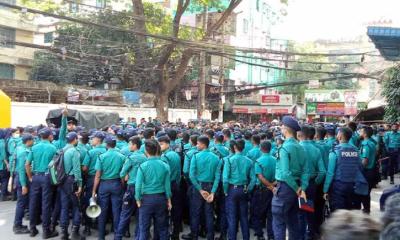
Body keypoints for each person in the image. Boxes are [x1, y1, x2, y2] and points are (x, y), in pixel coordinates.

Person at [272, 116, 307, 240]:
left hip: (285, 188)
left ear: (286, 130)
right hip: (296, 188)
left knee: (279, 223)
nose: (281, 128)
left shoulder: (284, 148)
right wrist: (302, 188)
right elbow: (306, 171)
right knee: (293, 223)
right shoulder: (300, 147)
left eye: (282, 126)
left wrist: (297, 189)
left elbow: (286, 173)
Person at [135, 139, 172, 240]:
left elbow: (138, 186)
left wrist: (138, 199)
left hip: (146, 200)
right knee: (163, 228)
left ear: (146, 151)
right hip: (161, 199)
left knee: (144, 229)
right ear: (157, 150)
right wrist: (169, 200)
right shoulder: (165, 166)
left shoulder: (142, 166)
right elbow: (167, 186)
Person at [25, 127, 59, 238]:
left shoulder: (34, 148)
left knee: (33, 202)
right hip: (47, 177)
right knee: (46, 204)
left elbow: (27, 164)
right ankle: (46, 231)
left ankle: (32, 229)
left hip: (35, 177)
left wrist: (30, 177)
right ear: (49, 136)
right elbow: (56, 165)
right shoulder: (53, 148)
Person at [92, 135, 125, 240]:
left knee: (102, 210)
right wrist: (122, 185)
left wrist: (94, 191)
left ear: (106, 144)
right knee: (117, 211)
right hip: (116, 184)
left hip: (104, 184)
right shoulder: (121, 156)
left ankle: (101, 236)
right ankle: (117, 236)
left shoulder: (101, 157)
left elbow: (97, 175)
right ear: (115, 145)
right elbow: (123, 174)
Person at [323, 127, 365, 212]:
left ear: (340, 136)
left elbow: (330, 173)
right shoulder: (356, 151)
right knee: (350, 213)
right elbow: (360, 167)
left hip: (338, 187)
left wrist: (325, 190)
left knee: (338, 214)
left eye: (338, 133)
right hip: (353, 186)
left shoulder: (334, 152)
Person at [189, 135, 222, 240]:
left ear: (203, 144)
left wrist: (199, 189)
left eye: (198, 143)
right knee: (209, 213)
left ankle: (194, 236)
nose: (196, 145)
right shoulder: (216, 158)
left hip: (199, 186)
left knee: (196, 213)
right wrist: (212, 192)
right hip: (211, 186)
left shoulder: (195, 156)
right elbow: (217, 177)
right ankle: (210, 236)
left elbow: (191, 175)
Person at [115, 136, 147, 240]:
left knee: (125, 214)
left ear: (135, 145)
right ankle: (138, 236)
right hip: (142, 189)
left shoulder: (131, 158)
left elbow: (122, 173)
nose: (129, 146)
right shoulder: (145, 157)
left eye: (130, 144)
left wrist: (126, 177)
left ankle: (118, 236)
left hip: (131, 188)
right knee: (140, 216)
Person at [222, 139, 255, 240]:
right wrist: (248, 189)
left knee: (232, 217)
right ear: (243, 148)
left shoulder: (229, 160)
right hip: (243, 189)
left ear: (234, 147)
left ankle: (232, 238)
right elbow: (253, 179)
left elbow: (225, 179)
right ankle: (246, 237)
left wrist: (225, 190)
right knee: (244, 217)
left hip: (232, 189)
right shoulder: (249, 161)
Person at [298, 125, 326, 240]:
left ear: (300, 135)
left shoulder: (297, 148)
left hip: (298, 185)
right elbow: (322, 171)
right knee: (309, 209)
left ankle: (302, 235)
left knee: (300, 212)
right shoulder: (316, 150)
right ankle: (310, 233)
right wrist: (315, 182)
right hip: (311, 185)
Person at [59, 132, 84, 240]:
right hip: (71, 180)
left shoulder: (62, 149)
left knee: (64, 206)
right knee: (75, 206)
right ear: (74, 140)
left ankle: (63, 233)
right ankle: (75, 232)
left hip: (62, 181)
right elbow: (77, 170)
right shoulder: (74, 151)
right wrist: (79, 185)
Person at [81, 131, 107, 236]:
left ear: (98, 140)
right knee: (102, 203)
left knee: (89, 201)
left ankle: (87, 227)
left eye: (93, 138)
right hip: (104, 179)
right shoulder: (106, 150)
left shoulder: (90, 152)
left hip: (92, 178)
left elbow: (85, 167)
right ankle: (99, 226)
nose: (91, 140)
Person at [159, 136, 182, 240]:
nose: (160, 146)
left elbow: (163, 174)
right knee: (176, 210)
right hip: (176, 184)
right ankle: (176, 233)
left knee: (165, 211)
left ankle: (166, 234)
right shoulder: (175, 154)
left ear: (168, 144)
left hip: (168, 186)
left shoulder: (165, 156)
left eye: (161, 144)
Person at [253, 141, 276, 240]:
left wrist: (269, 185)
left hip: (262, 190)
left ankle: (260, 234)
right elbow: (279, 176)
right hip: (273, 190)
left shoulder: (258, 161)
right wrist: (272, 186)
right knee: (271, 214)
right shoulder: (276, 160)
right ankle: (271, 235)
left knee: (258, 213)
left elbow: (260, 177)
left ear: (261, 149)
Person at [13, 134, 33, 234]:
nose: (33, 142)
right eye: (32, 140)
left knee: (22, 203)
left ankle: (18, 224)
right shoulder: (22, 152)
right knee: (21, 204)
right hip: (22, 179)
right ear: (28, 141)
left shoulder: (20, 147)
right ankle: (17, 226)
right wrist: (24, 185)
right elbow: (21, 170)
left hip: (21, 178)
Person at [359, 126, 377, 214]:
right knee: (367, 192)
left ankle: (366, 210)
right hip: (372, 170)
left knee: (364, 193)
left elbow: (365, 161)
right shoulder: (372, 143)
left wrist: (358, 168)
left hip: (366, 172)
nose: (359, 132)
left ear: (365, 134)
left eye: (361, 131)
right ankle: (367, 209)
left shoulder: (365, 144)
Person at [0, 129, 9, 201]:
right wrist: (7, 164)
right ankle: (3, 196)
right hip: (1, 165)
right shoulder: (2, 143)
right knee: (4, 180)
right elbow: (3, 156)